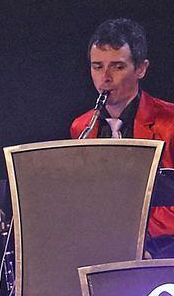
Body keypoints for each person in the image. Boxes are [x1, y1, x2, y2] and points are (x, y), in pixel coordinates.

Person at [69, 18, 174, 257]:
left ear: (141, 69)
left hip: (163, 248)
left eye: (117, 67)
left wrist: (132, 239)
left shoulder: (170, 122)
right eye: (97, 67)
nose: (104, 78)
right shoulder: (81, 127)